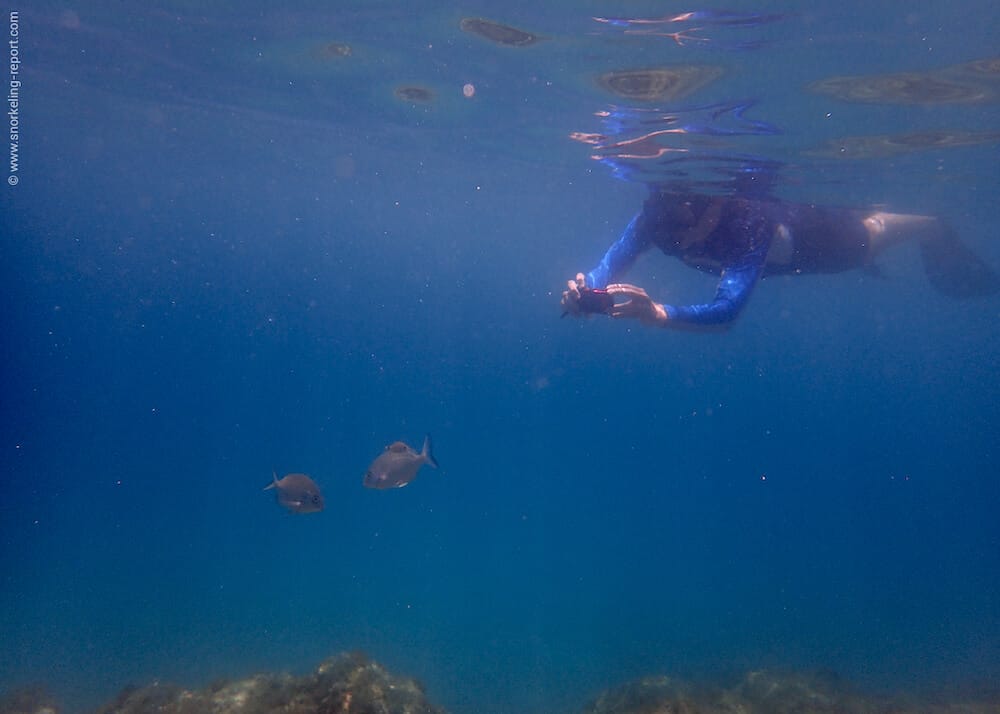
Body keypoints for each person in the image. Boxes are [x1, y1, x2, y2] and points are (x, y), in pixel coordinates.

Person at [561, 188, 998, 328]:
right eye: (661, 235)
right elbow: (611, 260)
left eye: (680, 234)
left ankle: (943, 237)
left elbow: (728, 309)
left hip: (841, 245)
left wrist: (660, 313)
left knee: (894, 228)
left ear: (712, 209)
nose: (673, 245)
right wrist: (587, 286)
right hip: (803, 232)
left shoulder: (748, 227)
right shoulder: (658, 220)